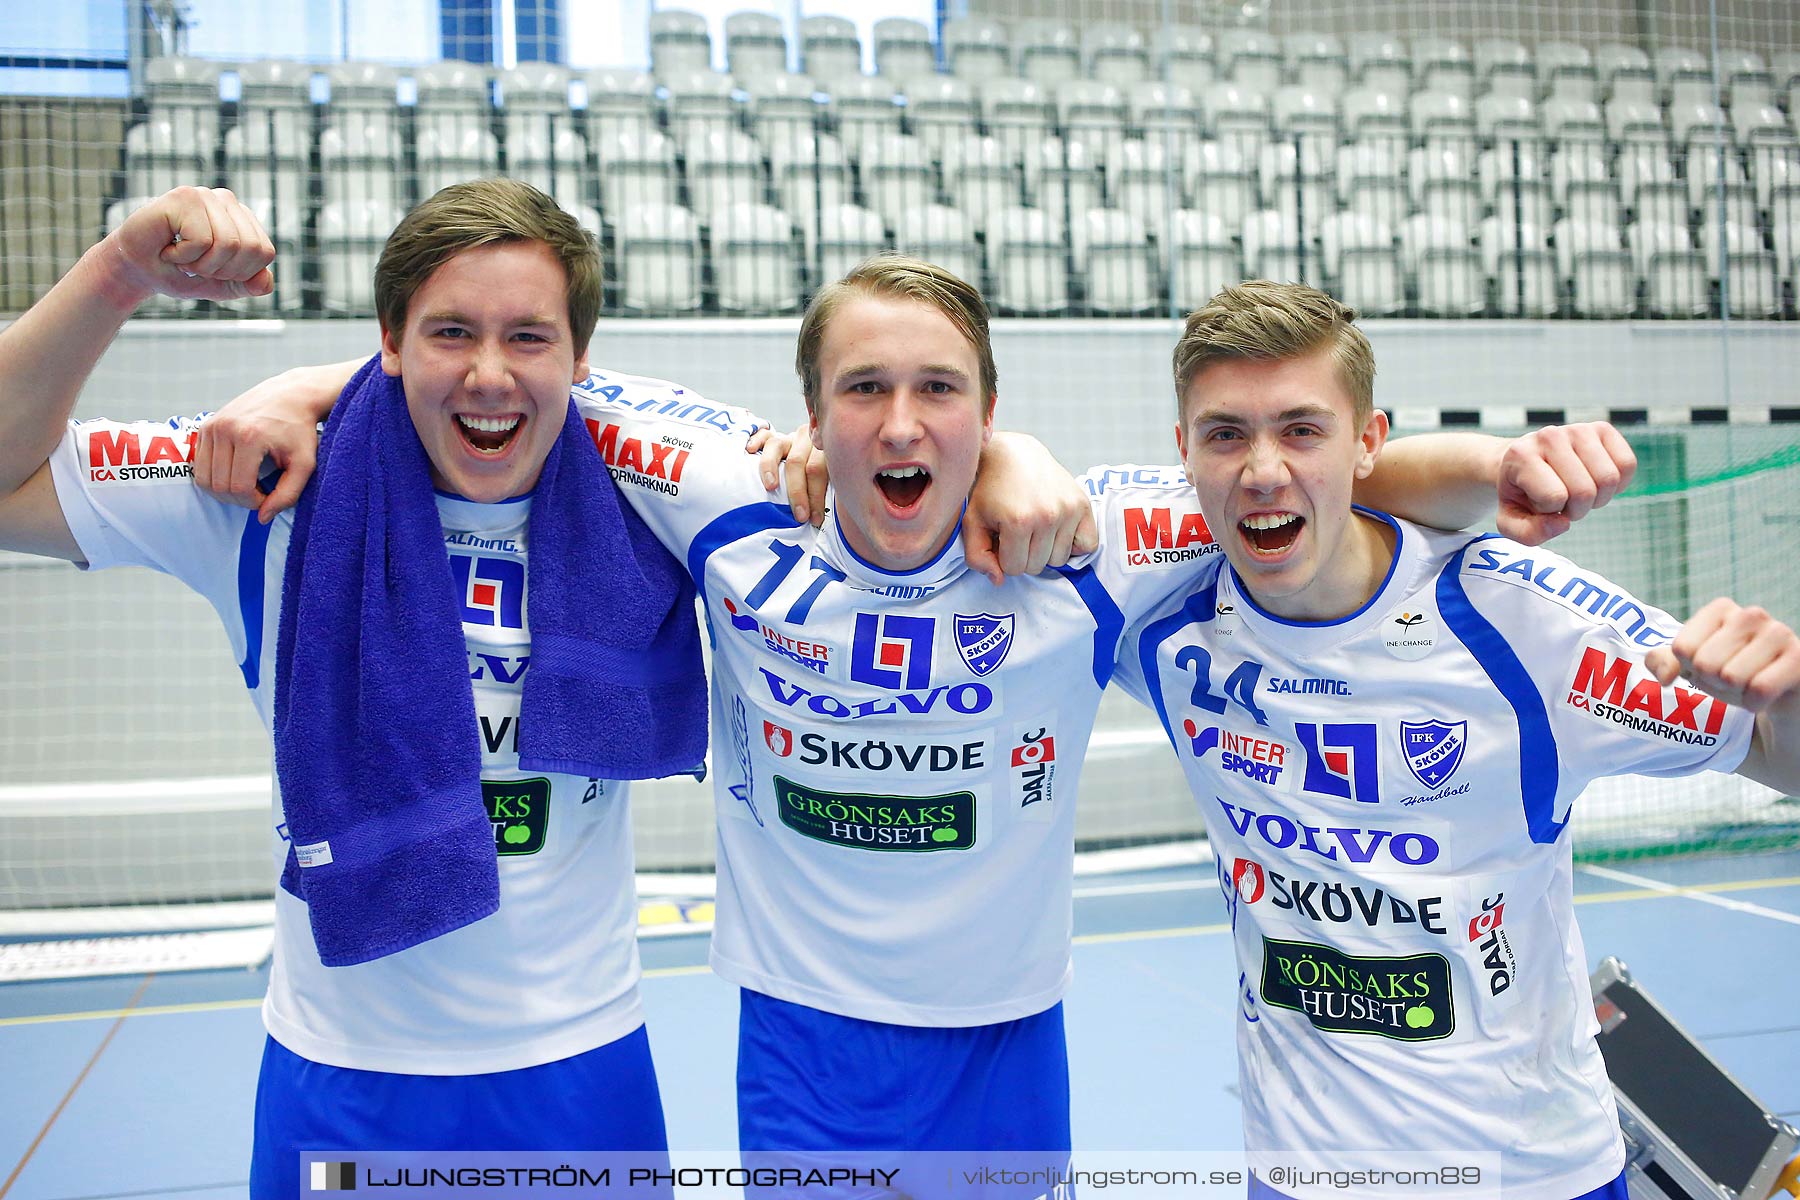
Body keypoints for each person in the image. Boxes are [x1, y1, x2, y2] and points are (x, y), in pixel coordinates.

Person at [200, 251, 1639, 1169]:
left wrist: (1501, 468)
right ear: (809, 417)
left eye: (943, 393)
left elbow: (1311, 479)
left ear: (992, 407)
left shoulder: (1086, 544)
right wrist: (295, 387)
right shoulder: (730, 507)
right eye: (864, 390)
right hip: (806, 1049)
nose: (902, 424)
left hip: (1009, 1046)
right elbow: (499, 363)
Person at [0, 182, 712, 1198]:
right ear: (388, 340)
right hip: (344, 1080)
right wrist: (120, 274)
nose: (489, 374)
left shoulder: (652, 495)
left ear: (580, 359)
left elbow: (868, 460)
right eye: (450, 332)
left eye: (529, 336)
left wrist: (1011, 453)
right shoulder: (270, 487)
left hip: (579, 1071)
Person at [1101, 281, 1800, 1199]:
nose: (1263, 469)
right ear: (1182, 453)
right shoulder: (1159, 610)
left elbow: (1780, 759)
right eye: (1225, 434)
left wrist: (1785, 698)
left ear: (1370, 443)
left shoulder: (1524, 626)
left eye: (1303, 430)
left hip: (1531, 1177)